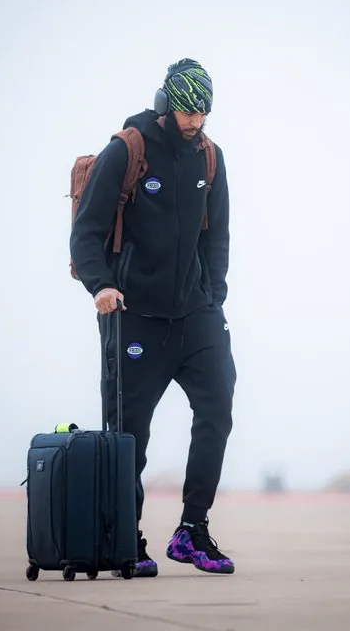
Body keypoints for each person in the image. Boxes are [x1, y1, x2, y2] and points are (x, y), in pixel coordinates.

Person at [69, 58, 236, 576]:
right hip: (133, 313)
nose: (195, 122)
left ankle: (192, 529)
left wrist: (213, 296)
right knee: (129, 434)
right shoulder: (127, 151)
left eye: (203, 113)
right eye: (187, 112)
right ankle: (126, 537)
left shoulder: (210, 158)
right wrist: (101, 285)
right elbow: (86, 232)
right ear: (166, 104)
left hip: (194, 314)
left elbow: (217, 237)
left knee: (218, 406)